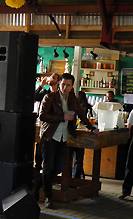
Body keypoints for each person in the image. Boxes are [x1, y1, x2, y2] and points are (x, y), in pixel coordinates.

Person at [37, 73, 98, 209]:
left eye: (68, 85)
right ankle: (48, 197)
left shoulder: (72, 98)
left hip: (63, 137)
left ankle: (38, 184)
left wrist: (91, 128)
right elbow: (42, 115)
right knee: (48, 167)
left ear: (72, 86)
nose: (65, 88)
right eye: (63, 84)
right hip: (50, 136)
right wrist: (62, 117)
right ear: (59, 83)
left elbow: (81, 114)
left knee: (59, 166)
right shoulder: (50, 97)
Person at [72, 91, 93, 179]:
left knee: (70, 157)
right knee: (79, 157)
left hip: (73, 132)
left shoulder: (73, 106)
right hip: (83, 133)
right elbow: (90, 118)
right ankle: (77, 177)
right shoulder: (88, 107)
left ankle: (71, 177)